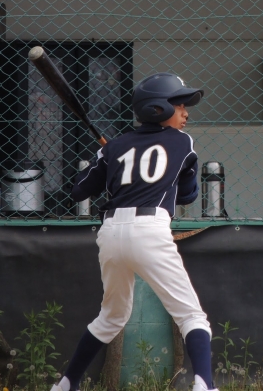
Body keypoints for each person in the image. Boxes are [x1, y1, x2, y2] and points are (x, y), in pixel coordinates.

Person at [51, 73, 217, 391]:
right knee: (191, 316)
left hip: (111, 233)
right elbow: (187, 196)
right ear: (157, 108)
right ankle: (205, 386)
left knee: (111, 316)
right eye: (179, 105)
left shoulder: (115, 146)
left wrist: (106, 159)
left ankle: (66, 385)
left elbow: (80, 190)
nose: (185, 112)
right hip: (149, 231)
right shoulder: (182, 142)